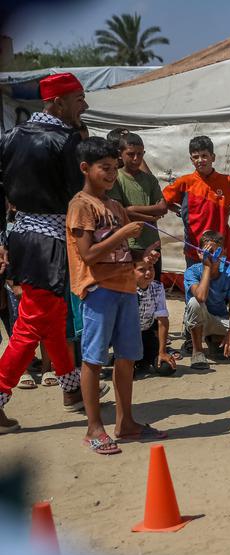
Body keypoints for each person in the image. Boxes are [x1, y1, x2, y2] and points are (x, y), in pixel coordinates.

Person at [0, 73, 92, 429]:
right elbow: (76, 194)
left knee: (52, 319)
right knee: (31, 325)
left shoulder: (10, 137)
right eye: (78, 99)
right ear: (57, 102)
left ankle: (71, 390)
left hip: (20, 236)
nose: (84, 106)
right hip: (50, 241)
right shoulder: (67, 139)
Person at [67, 137, 167, 455]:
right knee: (94, 360)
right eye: (105, 168)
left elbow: (122, 253)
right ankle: (94, 428)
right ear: (86, 168)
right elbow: (88, 254)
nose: (111, 174)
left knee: (127, 358)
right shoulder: (81, 205)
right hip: (98, 291)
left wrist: (143, 261)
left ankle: (125, 423)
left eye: (114, 168)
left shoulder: (114, 207)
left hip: (125, 288)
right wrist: (124, 232)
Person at [162, 135, 230, 266]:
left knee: (220, 285)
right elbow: (163, 200)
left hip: (221, 246)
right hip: (194, 247)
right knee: (196, 284)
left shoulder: (226, 181)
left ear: (212, 157)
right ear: (191, 160)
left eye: (204, 155)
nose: (200, 160)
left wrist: (227, 212)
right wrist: (180, 211)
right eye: (196, 157)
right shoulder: (185, 182)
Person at [183, 231, 230, 369]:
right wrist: (206, 266)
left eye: (217, 251)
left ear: (224, 252)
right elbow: (200, 297)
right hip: (199, 320)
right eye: (209, 251)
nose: (213, 255)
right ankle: (197, 352)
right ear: (200, 252)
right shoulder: (192, 272)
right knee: (195, 302)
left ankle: (215, 340)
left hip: (219, 319)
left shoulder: (229, 276)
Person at [107, 131, 168, 281]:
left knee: (152, 287)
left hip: (152, 242)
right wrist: (149, 217)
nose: (136, 159)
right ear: (120, 154)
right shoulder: (116, 178)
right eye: (131, 154)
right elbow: (120, 211)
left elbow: (163, 207)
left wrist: (132, 209)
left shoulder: (150, 179)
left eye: (140, 154)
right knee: (132, 289)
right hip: (129, 244)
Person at [134, 257, 176, 377]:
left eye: (151, 268)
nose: (148, 273)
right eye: (142, 269)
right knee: (126, 373)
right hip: (128, 336)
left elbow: (162, 319)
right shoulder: (126, 289)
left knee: (167, 368)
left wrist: (162, 351)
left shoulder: (157, 287)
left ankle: (143, 359)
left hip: (146, 333)